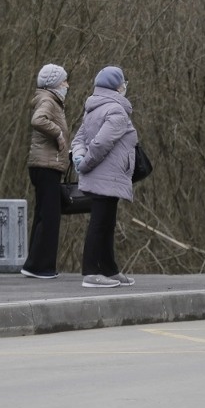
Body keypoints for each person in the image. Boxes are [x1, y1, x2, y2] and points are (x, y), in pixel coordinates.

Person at [71, 66, 137, 288]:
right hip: (106, 176)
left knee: (107, 223)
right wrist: (86, 164)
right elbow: (100, 144)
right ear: (116, 86)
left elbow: (79, 139)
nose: (125, 86)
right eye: (123, 83)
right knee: (100, 224)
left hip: (103, 176)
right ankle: (90, 272)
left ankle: (110, 269)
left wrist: (79, 158)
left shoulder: (93, 108)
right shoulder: (116, 111)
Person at [21, 64, 70, 279]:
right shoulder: (48, 100)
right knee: (49, 217)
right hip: (46, 166)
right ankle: (40, 266)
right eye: (64, 81)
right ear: (54, 83)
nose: (67, 85)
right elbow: (38, 120)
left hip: (45, 165)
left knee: (44, 215)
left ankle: (34, 263)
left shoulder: (49, 100)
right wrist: (58, 133)